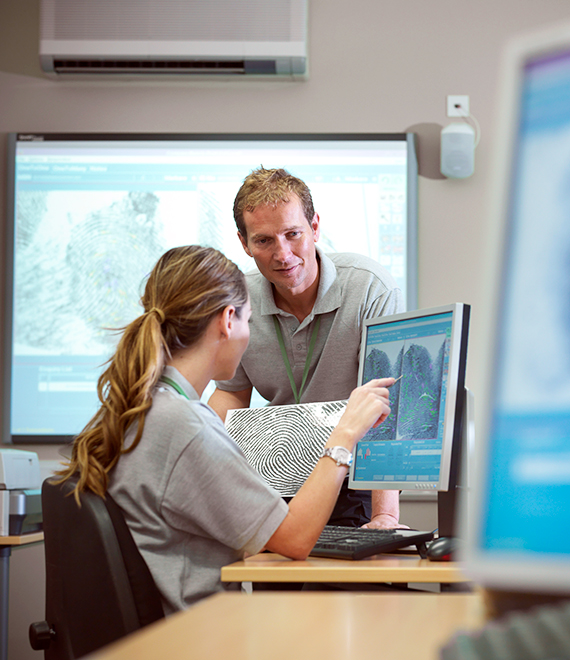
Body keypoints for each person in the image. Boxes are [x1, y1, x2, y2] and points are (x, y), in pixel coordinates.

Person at [54, 246, 394, 614]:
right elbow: (295, 539)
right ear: (228, 320)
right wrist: (345, 433)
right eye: (248, 320)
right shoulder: (183, 427)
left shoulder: (140, 410)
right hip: (202, 635)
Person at [208, 167, 404, 529]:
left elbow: (384, 403)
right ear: (244, 243)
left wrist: (385, 516)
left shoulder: (369, 288)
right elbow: (230, 395)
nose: (283, 254)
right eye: (264, 241)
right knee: (276, 583)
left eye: (293, 234)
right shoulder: (239, 300)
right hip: (273, 478)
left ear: (315, 227)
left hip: (353, 474)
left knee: (344, 584)